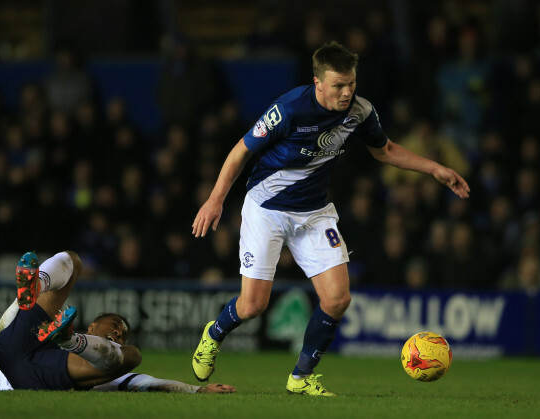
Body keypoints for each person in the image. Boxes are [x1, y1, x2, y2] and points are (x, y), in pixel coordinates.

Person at [190, 41, 470, 396]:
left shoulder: (360, 111)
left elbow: (384, 150)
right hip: (267, 209)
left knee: (337, 299)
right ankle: (213, 334)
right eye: (339, 85)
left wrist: (435, 169)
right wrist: (215, 200)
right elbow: (239, 152)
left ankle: (300, 377)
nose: (347, 91)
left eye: (351, 83)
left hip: (314, 213)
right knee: (253, 305)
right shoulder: (289, 109)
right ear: (318, 83)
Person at [0, 251, 235, 393]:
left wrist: (197, 389)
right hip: (17, 346)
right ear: (92, 327)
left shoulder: (101, 370)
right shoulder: (75, 355)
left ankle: (68, 338)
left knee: (132, 357)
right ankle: (34, 287)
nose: (119, 332)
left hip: (30, 375)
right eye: (115, 325)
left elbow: (143, 381)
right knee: (73, 260)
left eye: (122, 334)